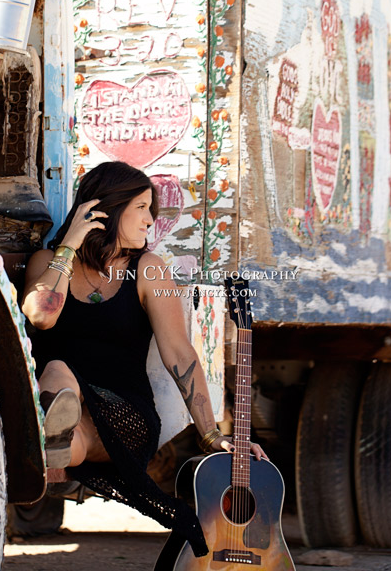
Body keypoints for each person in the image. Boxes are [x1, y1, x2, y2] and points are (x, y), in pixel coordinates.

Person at [21, 161, 268, 558]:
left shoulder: (149, 270)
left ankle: (47, 444)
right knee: (59, 377)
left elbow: (179, 354)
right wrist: (68, 246)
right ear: (107, 210)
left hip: (124, 416)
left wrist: (210, 434)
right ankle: (54, 447)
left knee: (58, 379)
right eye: (141, 207)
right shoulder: (48, 263)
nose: (151, 220)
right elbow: (40, 315)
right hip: (68, 408)